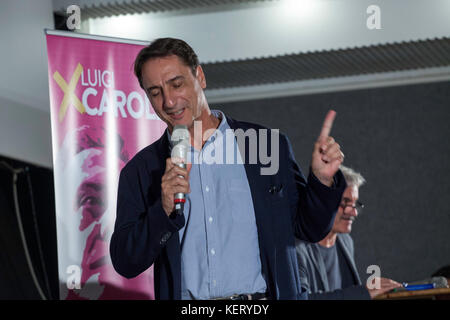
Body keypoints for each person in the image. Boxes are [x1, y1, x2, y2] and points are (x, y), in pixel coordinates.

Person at [110, 37, 347, 300]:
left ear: (199, 76)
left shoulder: (264, 146)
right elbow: (125, 261)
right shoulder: (142, 170)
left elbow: (309, 229)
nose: (168, 101)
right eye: (155, 92)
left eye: (176, 84)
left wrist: (323, 182)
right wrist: (163, 211)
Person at [295, 166, 402, 299]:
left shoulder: (346, 241)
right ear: (322, 202)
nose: (354, 212)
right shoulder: (296, 248)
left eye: (355, 204)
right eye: (345, 203)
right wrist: (362, 293)